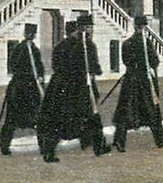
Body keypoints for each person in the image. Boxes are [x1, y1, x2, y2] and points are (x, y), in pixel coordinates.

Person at [38, 15, 110, 162]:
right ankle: (98, 146)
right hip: (80, 87)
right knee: (92, 116)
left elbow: (56, 66)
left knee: (60, 119)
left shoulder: (60, 45)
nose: (91, 30)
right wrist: (96, 71)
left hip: (60, 87)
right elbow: (92, 67)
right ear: (84, 28)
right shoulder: (87, 45)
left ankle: (49, 151)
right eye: (90, 27)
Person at [111, 15, 163, 151]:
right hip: (144, 81)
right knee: (153, 110)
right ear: (144, 27)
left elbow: (126, 62)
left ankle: (119, 140)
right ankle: (159, 139)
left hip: (130, 80)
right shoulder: (146, 43)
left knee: (126, 111)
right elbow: (154, 61)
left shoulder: (127, 43)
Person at [0, 23, 44, 155]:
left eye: (32, 33)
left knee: (35, 118)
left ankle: (43, 145)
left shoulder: (32, 49)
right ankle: (4, 146)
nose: (30, 35)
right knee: (14, 119)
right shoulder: (21, 48)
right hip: (22, 88)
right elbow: (14, 65)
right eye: (29, 33)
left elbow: (39, 68)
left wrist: (39, 80)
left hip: (27, 88)